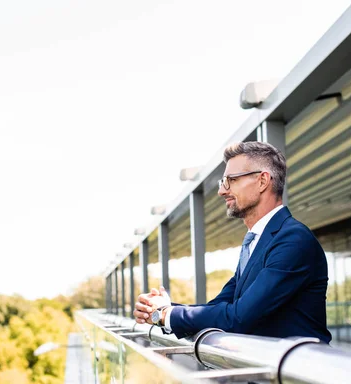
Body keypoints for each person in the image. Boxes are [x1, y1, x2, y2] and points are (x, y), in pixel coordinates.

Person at [133, 141, 332, 343]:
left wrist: (167, 314)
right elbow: (220, 306)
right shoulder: (257, 242)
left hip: (297, 371)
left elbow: (240, 317)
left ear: (262, 181)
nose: (222, 191)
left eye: (231, 180)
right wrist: (162, 309)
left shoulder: (293, 240)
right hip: (270, 369)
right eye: (223, 182)